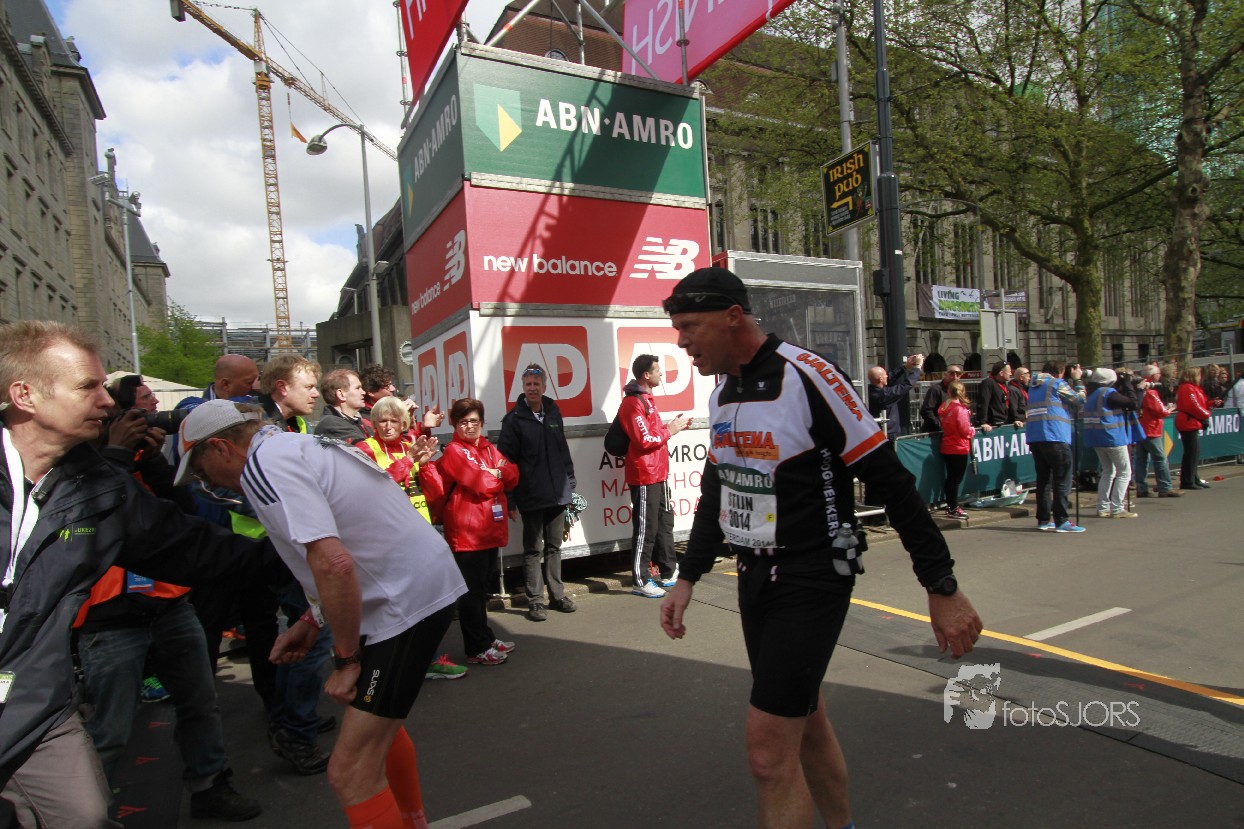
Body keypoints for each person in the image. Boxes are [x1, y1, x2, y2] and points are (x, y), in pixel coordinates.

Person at [658, 268, 982, 829]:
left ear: (732, 317)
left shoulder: (808, 375)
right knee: (805, 721)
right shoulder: (722, 392)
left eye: (689, 326)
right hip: (755, 576)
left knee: (767, 753)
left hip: (812, 574)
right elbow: (719, 490)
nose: (681, 341)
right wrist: (687, 577)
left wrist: (942, 585)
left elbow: (891, 482)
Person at [0, 322, 289, 827]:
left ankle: (209, 785)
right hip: (98, 630)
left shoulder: (96, 483)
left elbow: (188, 543)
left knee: (87, 815)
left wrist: (313, 555)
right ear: (24, 395)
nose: (106, 402)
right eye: (87, 387)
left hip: (36, 704)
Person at [174, 400, 468, 829]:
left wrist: (347, 661)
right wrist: (312, 620)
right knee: (376, 742)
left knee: (351, 771)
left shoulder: (262, 464)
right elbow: (349, 542)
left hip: (402, 603)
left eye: (202, 472)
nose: (208, 484)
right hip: (411, 591)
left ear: (220, 448)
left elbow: (334, 563)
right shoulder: (288, 446)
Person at [354, 398, 465, 681]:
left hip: (418, 534)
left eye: (394, 421)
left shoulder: (410, 445)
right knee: (390, 605)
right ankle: (380, 667)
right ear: (374, 423)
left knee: (427, 601)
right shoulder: (365, 448)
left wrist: (425, 466)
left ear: (404, 423)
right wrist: (408, 461)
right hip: (385, 540)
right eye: (382, 421)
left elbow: (435, 492)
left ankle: (428, 660)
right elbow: (374, 488)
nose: (388, 426)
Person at [428, 399, 518, 665]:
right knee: (471, 592)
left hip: (488, 529)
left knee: (481, 590)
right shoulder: (455, 451)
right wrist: (496, 474)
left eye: (474, 421)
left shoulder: (488, 448)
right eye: (464, 422)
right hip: (467, 532)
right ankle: (476, 647)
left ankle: (486, 637)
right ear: (455, 424)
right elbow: (483, 483)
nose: (470, 426)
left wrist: (495, 473)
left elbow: (513, 474)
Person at [497, 364, 578, 622]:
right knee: (533, 549)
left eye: (536, 384)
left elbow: (563, 451)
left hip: (557, 493)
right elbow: (506, 463)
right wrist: (510, 499)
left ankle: (558, 596)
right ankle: (535, 601)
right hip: (531, 495)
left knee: (555, 546)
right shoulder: (513, 420)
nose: (532, 388)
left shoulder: (553, 412)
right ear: (523, 388)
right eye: (528, 385)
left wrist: (571, 485)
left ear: (544, 387)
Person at [619, 354, 691, 598]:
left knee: (664, 524)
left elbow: (654, 432)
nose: (662, 373)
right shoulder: (633, 403)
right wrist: (670, 430)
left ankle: (668, 572)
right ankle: (640, 580)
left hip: (658, 473)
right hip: (645, 475)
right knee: (646, 529)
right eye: (658, 370)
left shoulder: (647, 400)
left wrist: (672, 426)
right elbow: (644, 439)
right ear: (646, 375)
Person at [1025, 360, 1087, 532]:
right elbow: (1079, 399)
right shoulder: (1056, 383)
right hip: (1055, 436)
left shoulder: (1034, 386)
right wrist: (1078, 380)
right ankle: (1061, 520)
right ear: (1060, 372)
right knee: (1062, 479)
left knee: (1044, 480)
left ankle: (1043, 519)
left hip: (1036, 437)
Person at [1083, 367, 1141, 518]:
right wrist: (1127, 384)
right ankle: (1117, 508)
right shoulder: (1108, 393)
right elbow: (1132, 404)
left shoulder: (1091, 394)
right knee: (1124, 472)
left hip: (1097, 438)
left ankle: (1102, 507)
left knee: (1108, 472)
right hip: (1113, 437)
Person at [1133, 365, 1181, 499]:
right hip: (1151, 429)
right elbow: (1161, 411)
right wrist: (1170, 408)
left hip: (1139, 429)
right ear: (1154, 376)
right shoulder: (1151, 392)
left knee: (1141, 460)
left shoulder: (1137, 390)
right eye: (1159, 373)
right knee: (1160, 458)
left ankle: (1141, 488)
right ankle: (1165, 487)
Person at [937, 381, 975, 520]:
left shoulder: (944, 406)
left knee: (951, 478)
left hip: (947, 444)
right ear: (962, 392)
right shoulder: (960, 409)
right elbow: (965, 430)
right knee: (955, 479)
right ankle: (953, 507)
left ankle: (951, 506)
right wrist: (972, 430)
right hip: (959, 446)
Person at [175, 353, 259, 411]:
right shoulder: (191, 404)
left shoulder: (255, 400)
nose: (254, 386)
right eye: (249, 382)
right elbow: (203, 415)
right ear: (226, 384)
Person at [866, 355, 923, 438]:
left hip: (880, 431)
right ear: (881, 379)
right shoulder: (884, 395)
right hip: (888, 434)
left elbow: (890, 377)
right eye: (885, 375)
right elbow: (906, 385)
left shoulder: (871, 390)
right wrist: (917, 368)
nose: (887, 376)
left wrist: (905, 367)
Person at [1176, 366, 1212, 490]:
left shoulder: (1192, 388)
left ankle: (1193, 478)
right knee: (1191, 452)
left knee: (1193, 452)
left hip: (1191, 421)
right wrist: (1206, 414)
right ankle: (1187, 480)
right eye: (1198, 375)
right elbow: (1193, 405)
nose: (1200, 378)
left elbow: (1200, 403)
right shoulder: (1187, 388)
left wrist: (1211, 403)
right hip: (1188, 422)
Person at [316, 369, 374, 442]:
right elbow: (363, 447)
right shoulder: (332, 425)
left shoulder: (358, 421)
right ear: (341, 394)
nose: (363, 392)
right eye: (357, 388)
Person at [975, 362, 1023, 431]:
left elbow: (1009, 404)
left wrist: (1015, 419)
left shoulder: (1004, 385)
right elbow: (983, 403)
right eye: (1009, 372)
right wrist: (983, 422)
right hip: (993, 424)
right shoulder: (988, 383)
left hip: (1004, 422)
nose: (1010, 374)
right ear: (1001, 373)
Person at [919, 364, 962, 433]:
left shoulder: (959, 391)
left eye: (958, 374)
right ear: (945, 374)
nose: (955, 377)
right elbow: (926, 411)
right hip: (935, 433)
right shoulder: (935, 389)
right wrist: (940, 426)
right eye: (952, 374)